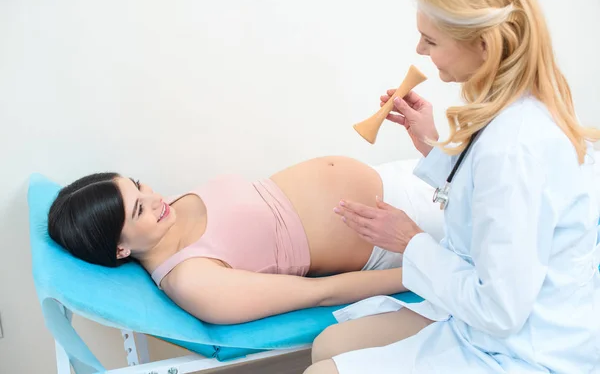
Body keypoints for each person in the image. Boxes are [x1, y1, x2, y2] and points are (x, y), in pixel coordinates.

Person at [305, 0, 600, 373]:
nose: (419, 50)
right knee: (331, 343)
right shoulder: (519, 109)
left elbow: (500, 311)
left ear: (484, 44)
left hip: (523, 347)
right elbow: (491, 195)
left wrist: (409, 241)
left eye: (431, 40)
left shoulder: (513, 147)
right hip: (498, 319)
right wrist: (431, 146)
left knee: (321, 369)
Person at [47, 155, 445, 325]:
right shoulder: (193, 280)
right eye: (138, 209)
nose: (154, 198)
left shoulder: (163, 219)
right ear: (120, 249)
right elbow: (323, 292)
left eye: (138, 187)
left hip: (397, 178)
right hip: (397, 229)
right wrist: (426, 265)